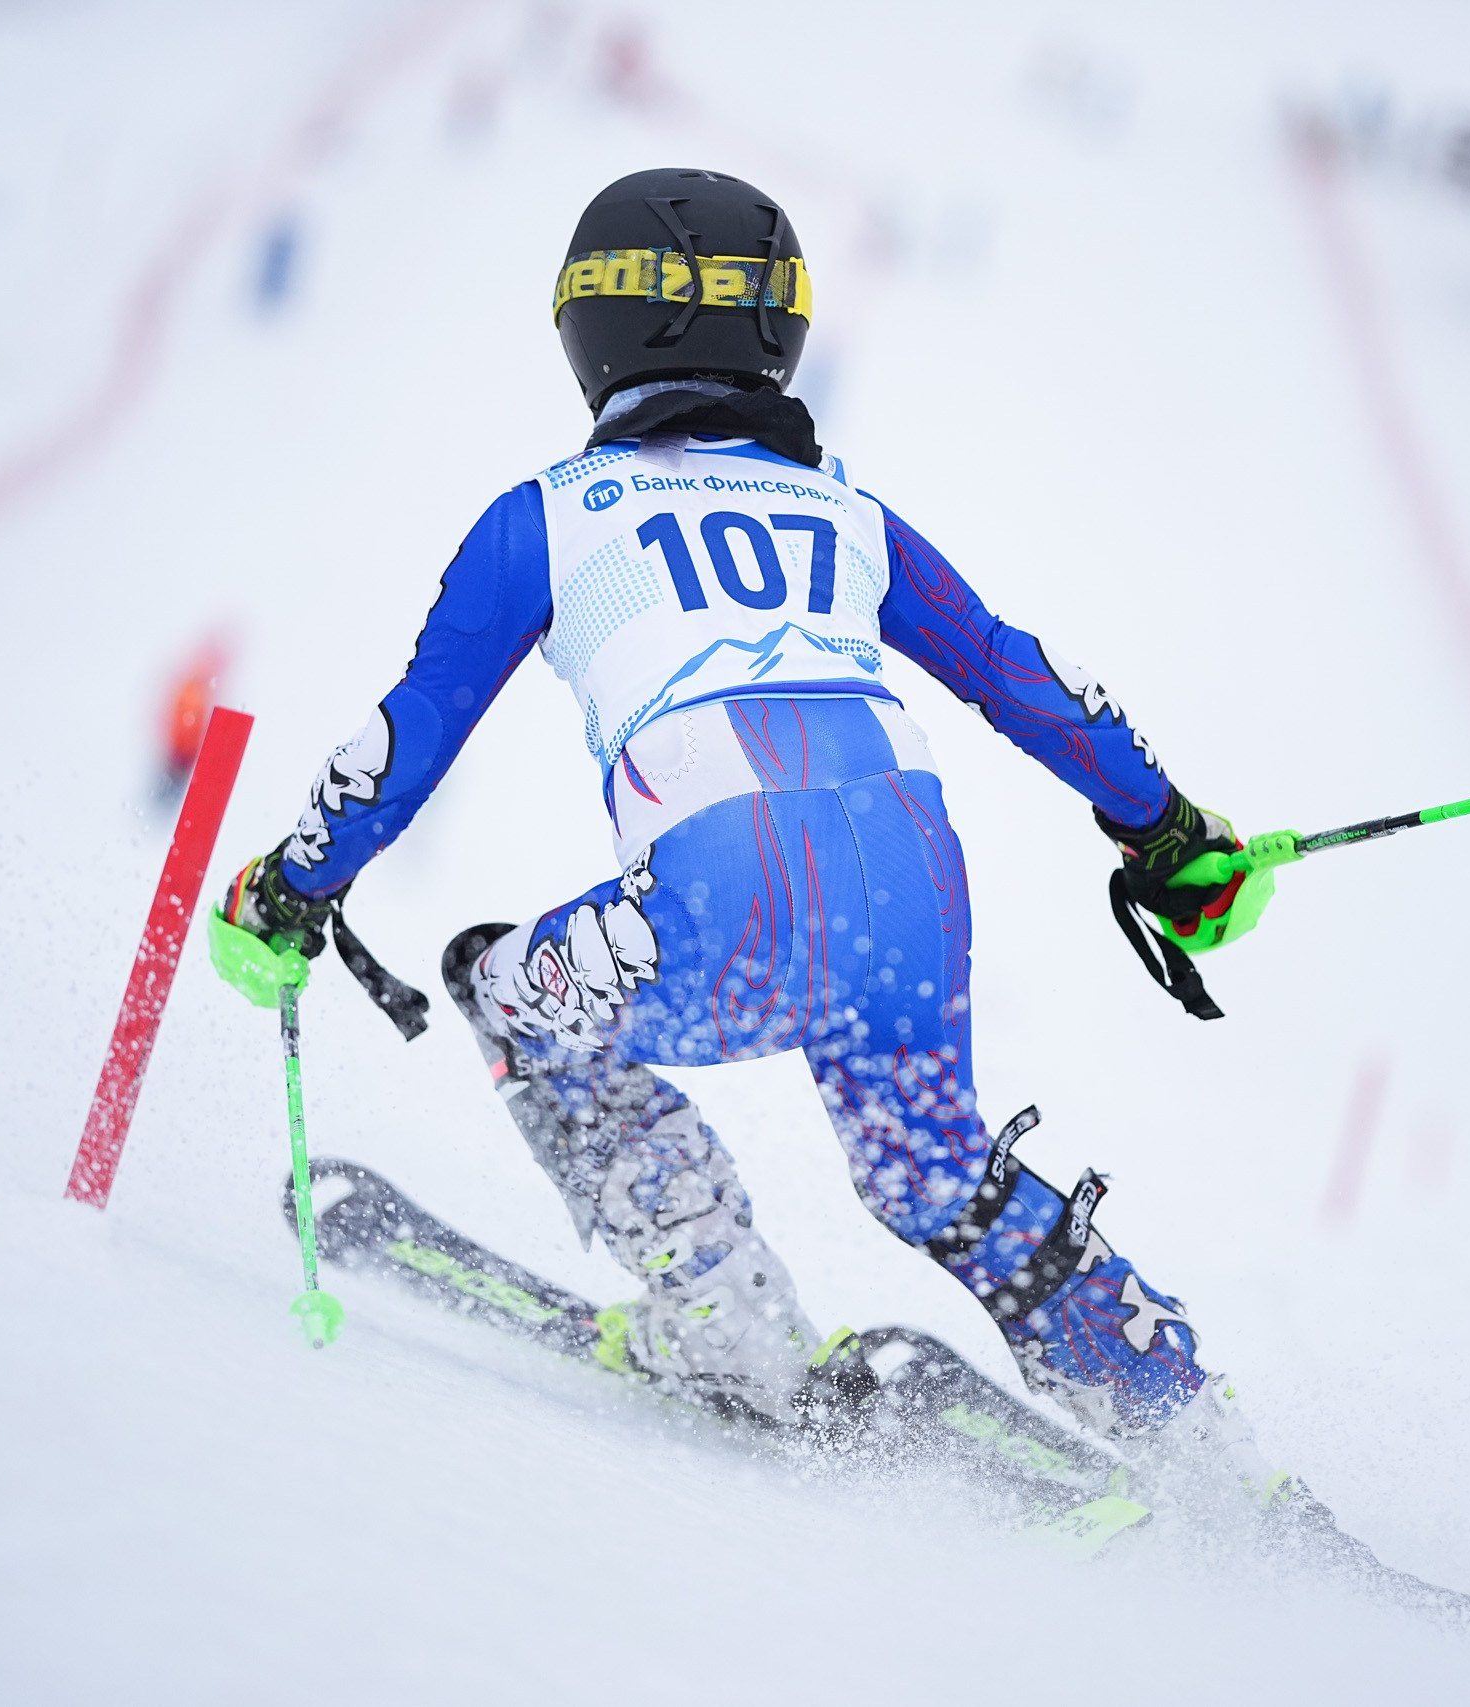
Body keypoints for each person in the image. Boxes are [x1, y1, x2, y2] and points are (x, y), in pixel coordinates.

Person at [217, 164, 1288, 1526]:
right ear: (779, 329)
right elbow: (1026, 680)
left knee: (513, 995)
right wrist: (1169, 835)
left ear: (590, 331)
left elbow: (404, 740)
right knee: (935, 1170)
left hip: (713, 903)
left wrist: (290, 890)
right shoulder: (845, 509)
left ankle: (721, 1311)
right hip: (912, 882)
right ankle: (1198, 1440)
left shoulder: (545, 514)